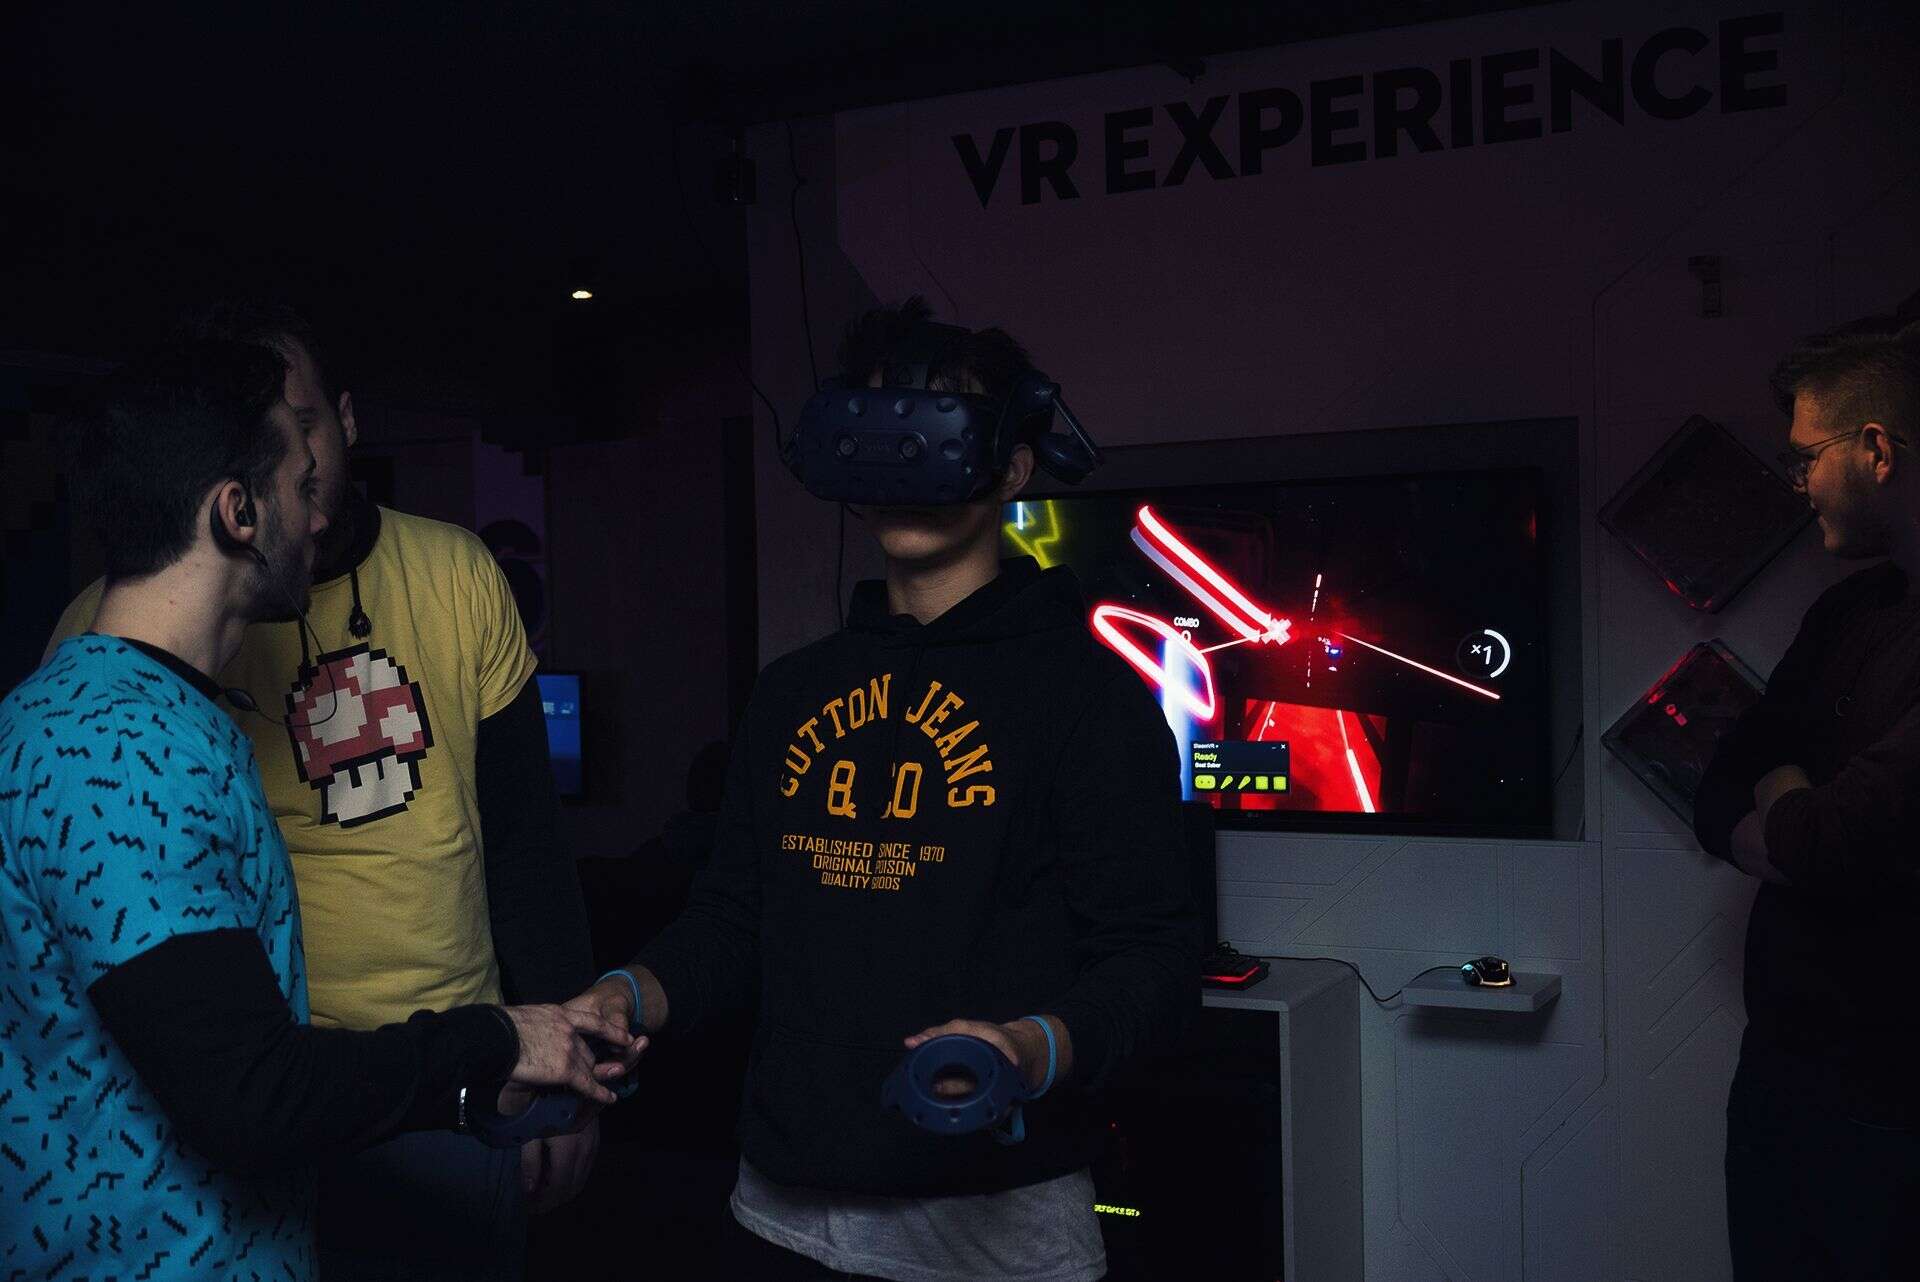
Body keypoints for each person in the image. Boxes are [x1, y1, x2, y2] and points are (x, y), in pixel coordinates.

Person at [569, 298, 1194, 1281]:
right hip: (779, 1212)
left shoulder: (1088, 700)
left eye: (934, 423)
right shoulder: (790, 693)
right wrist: (626, 994)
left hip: (999, 1234)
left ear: (1013, 466)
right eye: (879, 423)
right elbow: (733, 921)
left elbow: (1152, 954)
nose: (903, 454)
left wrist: (1030, 1048)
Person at [0, 341, 638, 1281]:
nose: (321, 514)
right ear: (238, 513)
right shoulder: (117, 746)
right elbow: (249, 1095)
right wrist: (499, 1040)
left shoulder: (166, 714)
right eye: (299, 488)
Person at [1694, 313, 1920, 1280]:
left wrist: (1788, 805)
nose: (1797, 484)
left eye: (1806, 457)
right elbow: (1719, 787)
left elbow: (1831, 839)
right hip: (1781, 1086)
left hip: (1895, 1112)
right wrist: (1794, 819)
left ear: (1876, 452)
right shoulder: (1849, 610)